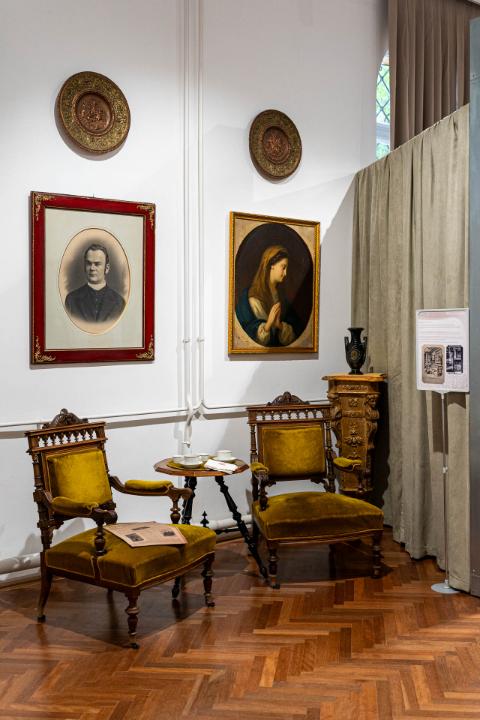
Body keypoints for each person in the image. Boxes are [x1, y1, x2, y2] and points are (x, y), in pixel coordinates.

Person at [235, 245, 302, 347]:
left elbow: (296, 332)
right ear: (271, 265)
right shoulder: (250, 297)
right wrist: (268, 325)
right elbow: (246, 334)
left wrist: (280, 326)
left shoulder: (281, 297)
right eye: (283, 267)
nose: (285, 273)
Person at [65, 243, 125, 323]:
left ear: (107, 268)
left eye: (97, 264)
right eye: (89, 263)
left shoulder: (119, 302)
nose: (92, 268)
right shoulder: (71, 300)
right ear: (84, 266)